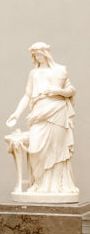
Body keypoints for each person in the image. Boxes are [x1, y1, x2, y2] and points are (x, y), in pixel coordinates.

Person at [6, 42, 79, 198]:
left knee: (57, 149)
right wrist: (16, 113)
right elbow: (27, 95)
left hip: (58, 111)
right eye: (34, 55)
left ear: (46, 53)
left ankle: (55, 187)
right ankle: (39, 183)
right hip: (39, 113)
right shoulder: (34, 73)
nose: (36, 57)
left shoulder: (60, 70)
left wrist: (57, 91)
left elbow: (71, 90)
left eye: (38, 54)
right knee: (35, 149)